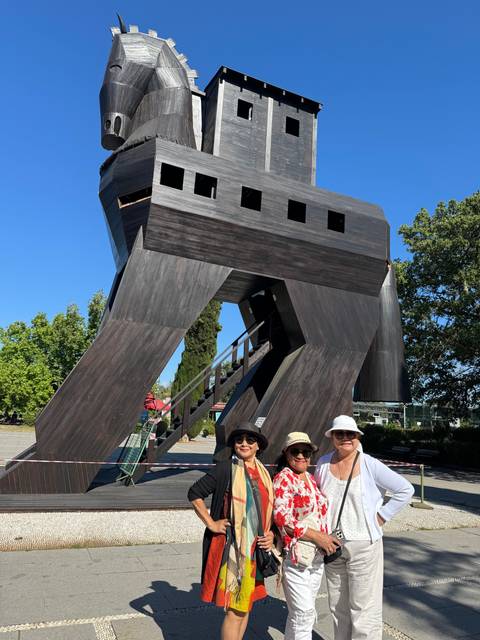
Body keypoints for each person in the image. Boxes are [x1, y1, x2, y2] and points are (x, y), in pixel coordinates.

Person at [315, 415, 414, 640]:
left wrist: (381, 516)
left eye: (350, 434)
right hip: (333, 545)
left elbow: (405, 490)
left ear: (358, 437)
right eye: (340, 434)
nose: (345, 438)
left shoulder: (369, 464)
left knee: (364, 610)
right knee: (338, 607)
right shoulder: (323, 463)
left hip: (364, 544)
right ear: (332, 437)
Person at [188, 421, 274, 640]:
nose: (244, 443)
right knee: (235, 610)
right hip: (235, 550)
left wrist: (271, 533)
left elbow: (267, 511)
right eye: (239, 440)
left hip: (256, 549)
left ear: (258, 446)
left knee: (245, 607)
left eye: (250, 440)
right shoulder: (226, 468)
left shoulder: (264, 474)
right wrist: (211, 523)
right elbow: (195, 493)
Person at [273, 432, 341, 640]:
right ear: (286, 453)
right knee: (304, 614)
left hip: (316, 558)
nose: (302, 456)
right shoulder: (284, 478)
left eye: (306, 451)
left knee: (300, 614)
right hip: (296, 557)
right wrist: (316, 536)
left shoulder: (311, 479)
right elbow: (281, 517)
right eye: (296, 451)